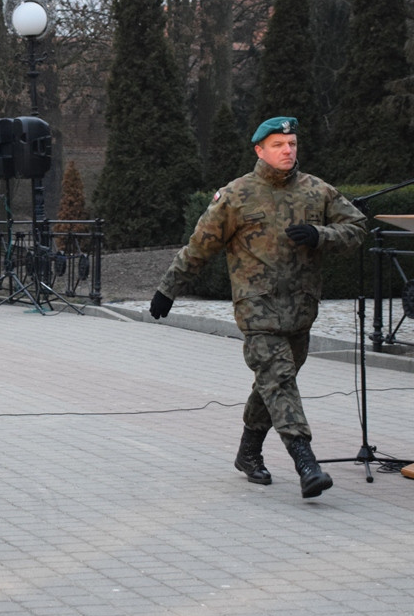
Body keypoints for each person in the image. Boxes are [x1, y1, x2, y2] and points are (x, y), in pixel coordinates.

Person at [149, 116, 366, 499]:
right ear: (259, 150)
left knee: (273, 383)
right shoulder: (236, 195)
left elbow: (357, 229)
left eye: (292, 144)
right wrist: (168, 288)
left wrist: (321, 234)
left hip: (301, 309)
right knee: (279, 380)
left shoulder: (318, 191)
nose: (287, 150)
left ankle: (248, 453)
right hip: (257, 310)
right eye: (278, 144)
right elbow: (199, 246)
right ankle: (306, 463)